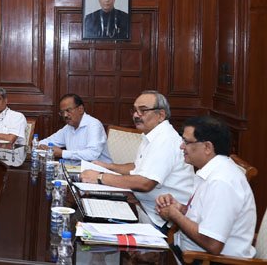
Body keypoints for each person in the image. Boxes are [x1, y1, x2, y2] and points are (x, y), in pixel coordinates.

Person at [80, 90, 194, 228]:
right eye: (134, 110)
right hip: (143, 207)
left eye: (143, 111)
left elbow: (145, 183)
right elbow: (137, 167)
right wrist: (109, 167)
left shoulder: (166, 140)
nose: (136, 115)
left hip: (159, 219)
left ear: (161, 115)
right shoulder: (152, 135)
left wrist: (100, 177)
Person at [156, 116, 256, 258]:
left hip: (208, 260)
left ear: (207, 147)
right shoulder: (212, 171)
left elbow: (213, 244)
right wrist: (180, 208)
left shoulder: (222, 182)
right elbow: (205, 217)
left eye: (186, 142)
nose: (181, 146)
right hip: (189, 253)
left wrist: (175, 215)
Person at [37, 94, 112, 162]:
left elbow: (92, 154)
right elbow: (47, 142)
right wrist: (42, 146)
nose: (65, 115)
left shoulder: (94, 125)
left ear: (80, 109)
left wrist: (62, 153)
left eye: (68, 110)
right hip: (76, 171)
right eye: (62, 112)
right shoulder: (68, 128)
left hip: (100, 172)